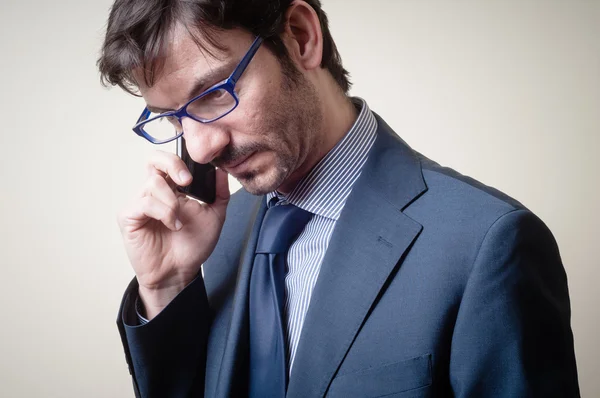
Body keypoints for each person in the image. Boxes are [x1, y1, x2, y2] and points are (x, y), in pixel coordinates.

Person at [98, 1, 580, 397]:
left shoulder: (488, 246)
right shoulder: (215, 231)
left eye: (215, 93)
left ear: (301, 36)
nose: (202, 147)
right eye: (174, 118)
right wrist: (165, 285)